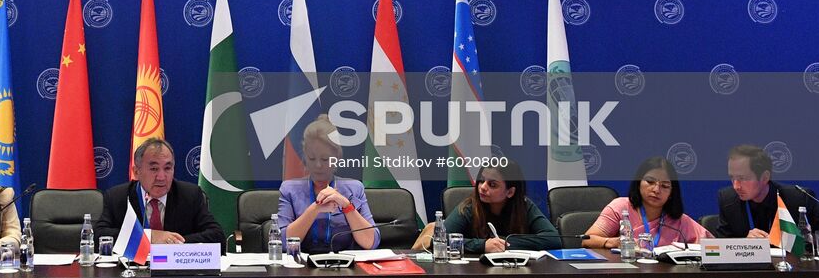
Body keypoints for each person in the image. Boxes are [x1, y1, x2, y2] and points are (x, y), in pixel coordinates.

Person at [717, 144, 819, 250]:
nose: (736, 186)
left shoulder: (798, 198)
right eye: (732, 178)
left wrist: (799, 242)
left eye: (743, 178)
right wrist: (744, 244)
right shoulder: (728, 199)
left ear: (765, 177)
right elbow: (721, 246)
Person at [98, 137, 225, 246]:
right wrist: (150, 237)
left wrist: (171, 243)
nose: (161, 177)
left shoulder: (190, 195)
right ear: (136, 172)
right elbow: (98, 235)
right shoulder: (117, 197)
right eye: (154, 169)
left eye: (167, 168)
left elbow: (217, 236)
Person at [277, 116, 379, 251]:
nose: (318, 165)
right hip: (303, 262)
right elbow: (283, 243)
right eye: (312, 158)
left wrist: (346, 206)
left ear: (337, 157)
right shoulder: (289, 189)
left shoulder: (354, 188)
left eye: (325, 159)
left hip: (345, 262)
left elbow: (371, 242)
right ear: (305, 157)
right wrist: (315, 208)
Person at [414, 161, 557, 255]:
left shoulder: (524, 206)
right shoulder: (469, 207)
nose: (482, 187)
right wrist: (483, 245)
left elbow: (553, 239)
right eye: (481, 181)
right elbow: (440, 240)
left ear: (510, 192)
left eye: (492, 184)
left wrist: (504, 243)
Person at [584, 156, 712, 250]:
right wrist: (613, 242)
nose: (656, 190)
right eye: (650, 182)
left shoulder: (680, 221)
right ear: (638, 183)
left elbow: (713, 246)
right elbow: (587, 240)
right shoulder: (621, 207)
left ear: (671, 193)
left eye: (664, 186)